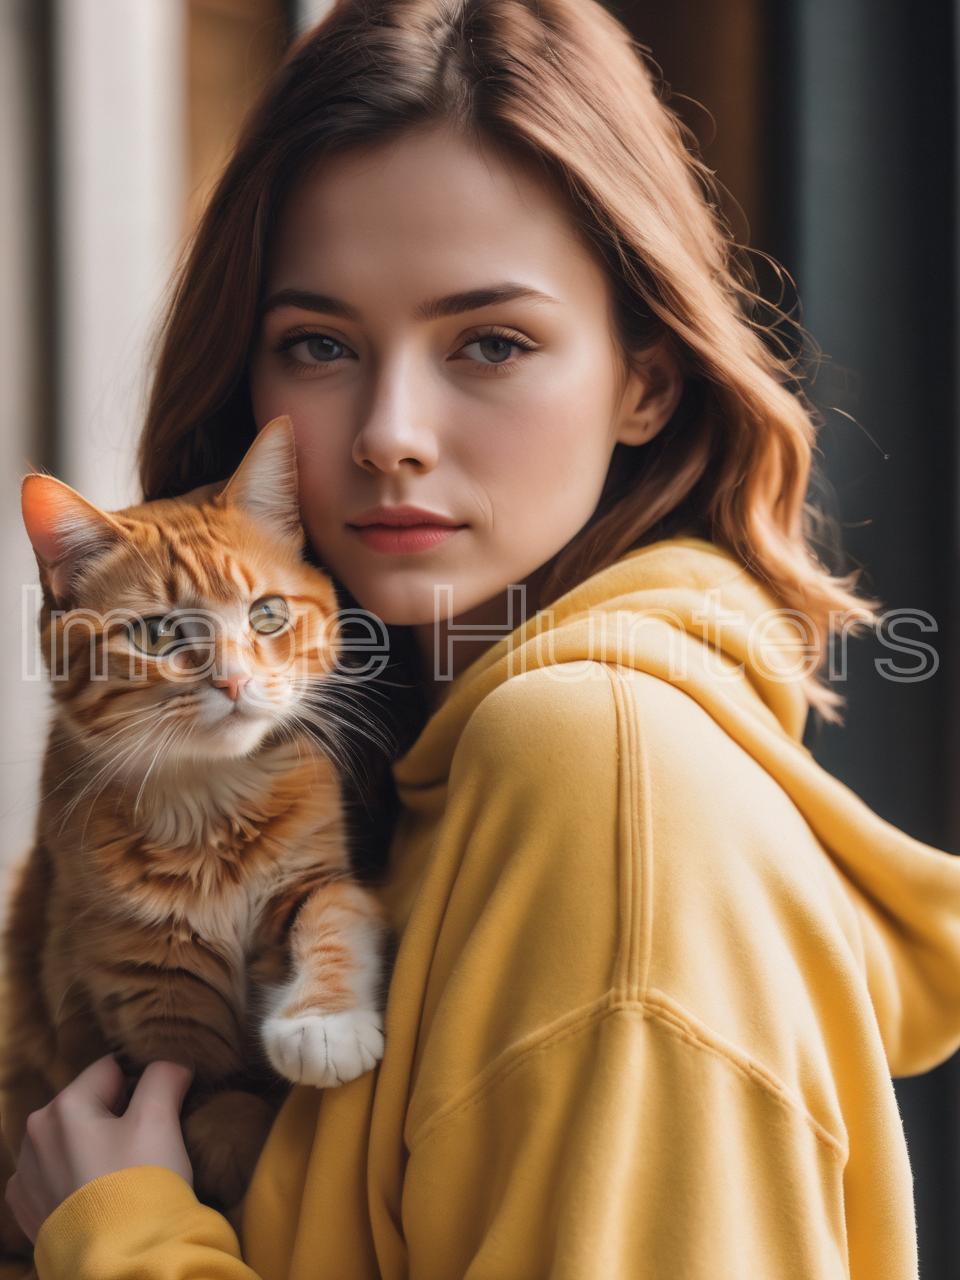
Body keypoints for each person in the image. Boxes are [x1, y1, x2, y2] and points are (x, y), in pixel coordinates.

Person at [7, 1, 960, 1276]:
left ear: (645, 380)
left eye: (491, 342)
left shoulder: (595, 765)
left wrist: (119, 1234)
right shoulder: (388, 759)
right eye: (320, 343)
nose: (390, 430)